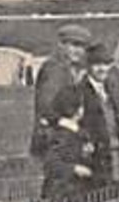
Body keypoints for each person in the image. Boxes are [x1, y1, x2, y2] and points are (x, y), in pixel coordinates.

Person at [30, 24, 91, 161]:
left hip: (62, 137)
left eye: (82, 46)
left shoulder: (69, 69)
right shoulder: (55, 69)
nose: (79, 51)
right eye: (74, 45)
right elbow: (46, 106)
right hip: (54, 138)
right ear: (61, 45)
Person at [82, 42, 119, 186]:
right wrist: (84, 141)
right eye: (97, 65)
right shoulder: (80, 91)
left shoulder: (109, 89)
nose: (102, 69)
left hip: (112, 153)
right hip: (93, 156)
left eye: (105, 64)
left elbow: (118, 120)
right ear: (88, 67)